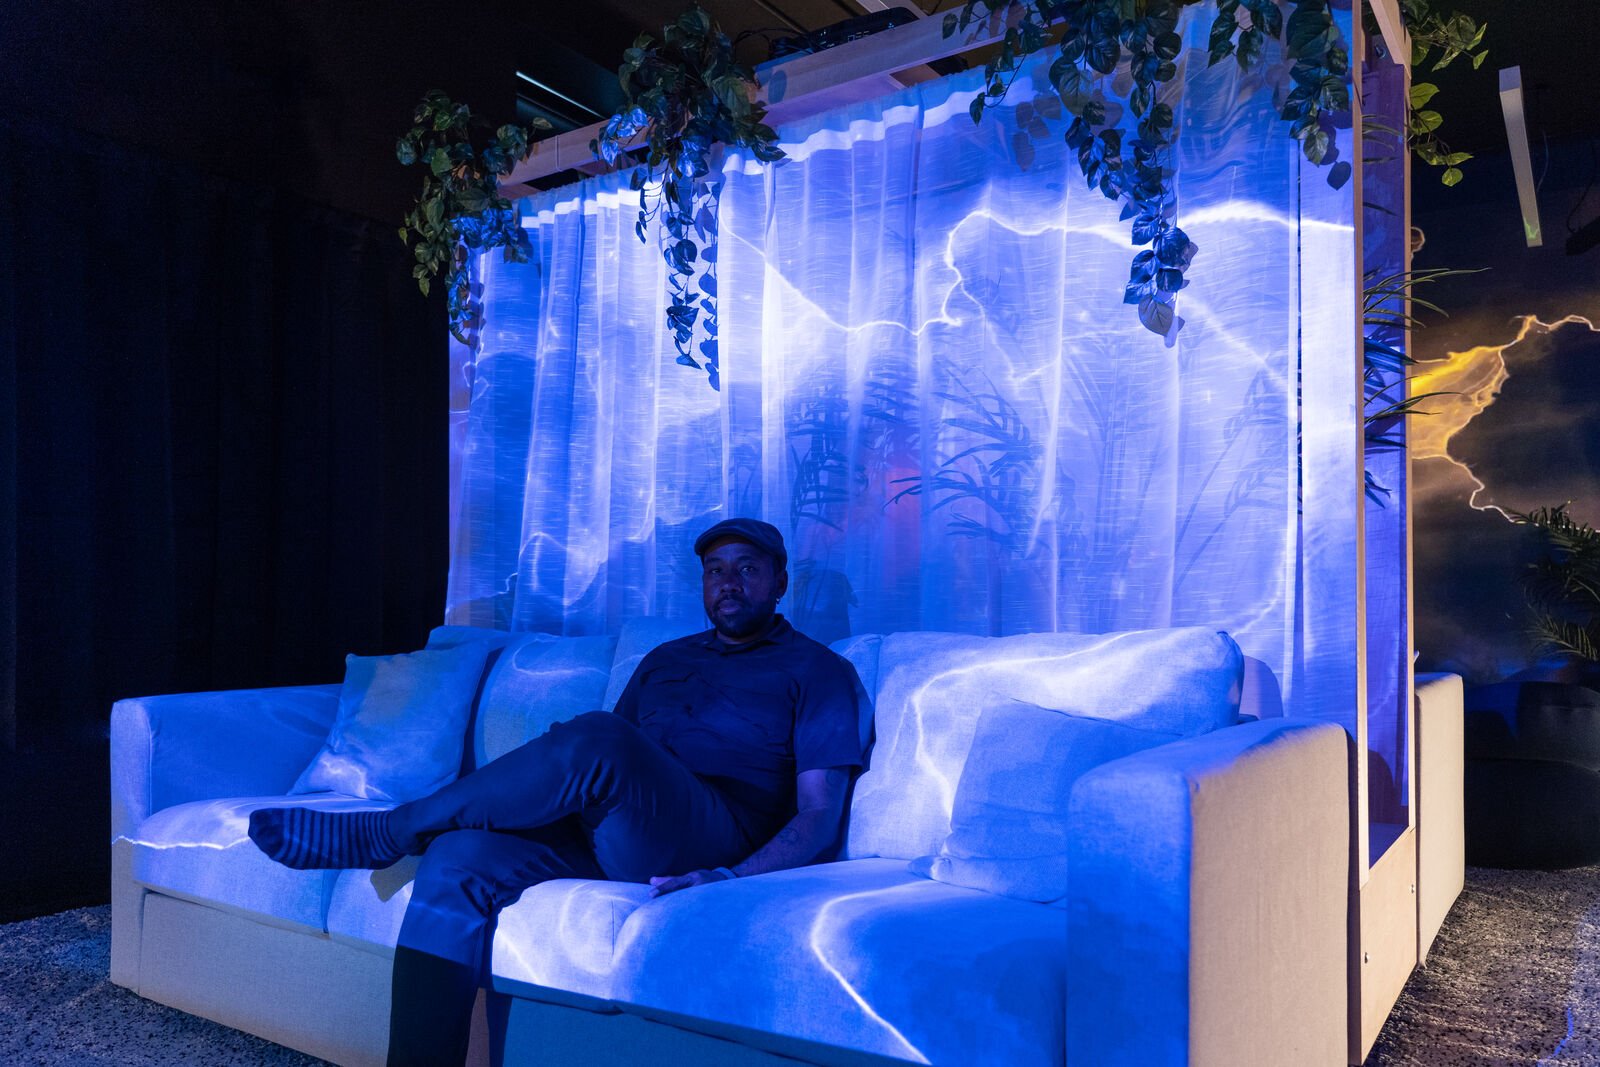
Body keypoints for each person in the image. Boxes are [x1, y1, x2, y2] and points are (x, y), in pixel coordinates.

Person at [246, 518, 868, 1066]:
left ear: (781, 583)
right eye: (714, 570)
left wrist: (729, 876)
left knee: (597, 736)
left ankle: (391, 830)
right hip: (613, 831)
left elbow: (817, 817)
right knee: (458, 858)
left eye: (747, 569)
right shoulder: (666, 658)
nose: (728, 582)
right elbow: (611, 763)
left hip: (709, 834)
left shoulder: (817, 671)